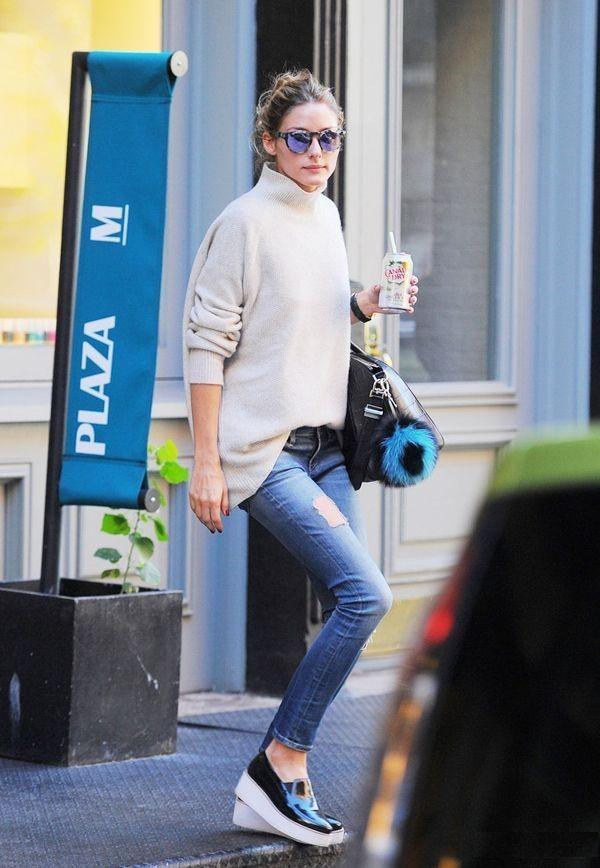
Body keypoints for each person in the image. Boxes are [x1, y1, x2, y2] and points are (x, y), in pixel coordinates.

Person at [182, 68, 419, 848]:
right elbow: (206, 344)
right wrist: (208, 462)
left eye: (329, 138)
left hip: (326, 450)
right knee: (367, 595)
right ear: (268, 143)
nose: (317, 151)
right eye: (300, 138)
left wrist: (363, 305)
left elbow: (305, 318)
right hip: (267, 452)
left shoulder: (325, 216)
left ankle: (283, 778)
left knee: (353, 604)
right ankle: (277, 765)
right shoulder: (243, 223)